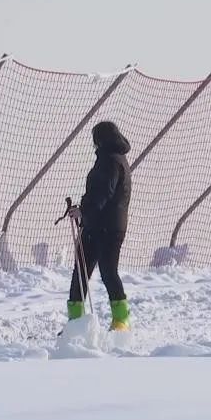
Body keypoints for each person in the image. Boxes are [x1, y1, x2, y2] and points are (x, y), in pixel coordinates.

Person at [66, 121, 132, 331]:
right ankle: (111, 321)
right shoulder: (116, 158)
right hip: (105, 225)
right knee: (93, 271)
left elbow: (102, 193)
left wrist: (84, 211)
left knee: (95, 272)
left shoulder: (109, 161)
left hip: (104, 227)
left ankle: (117, 321)